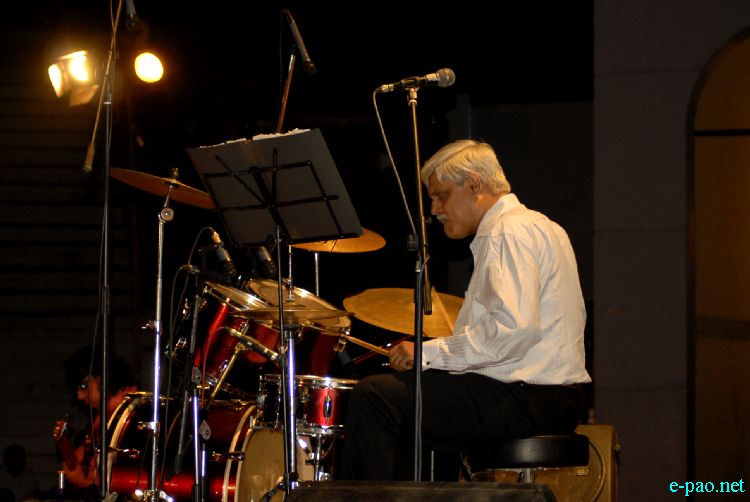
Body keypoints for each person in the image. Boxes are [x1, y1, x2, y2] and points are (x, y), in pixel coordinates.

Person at [341, 139, 591, 480]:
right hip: (551, 397)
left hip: (530, 397)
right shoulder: (541, 225)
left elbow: (514, 330)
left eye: (440, 195)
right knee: (414, 400)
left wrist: (427, 353)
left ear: (473, 184)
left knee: (374, 397)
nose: (434, 209)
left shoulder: (507, 231)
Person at [52, 346, 138, 491]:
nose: (79, 396)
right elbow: (81, 462)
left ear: (101, 378)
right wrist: (66, 450)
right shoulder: (101, 419)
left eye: (83, 386)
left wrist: (85, 484)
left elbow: (120, 480)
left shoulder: (132, 415)